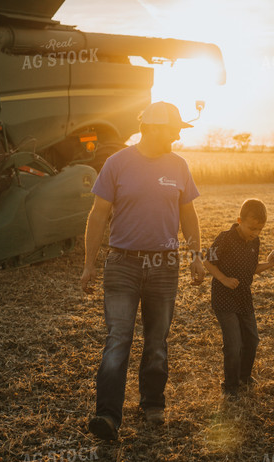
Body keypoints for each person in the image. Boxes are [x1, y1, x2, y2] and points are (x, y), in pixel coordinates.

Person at [80, 101, 206, 441]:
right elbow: (97, 216)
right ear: (152, 128)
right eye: (174, 129)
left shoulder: (179, 166)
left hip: (165, 265)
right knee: (118, 339)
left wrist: (195, 255)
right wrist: (89, 263)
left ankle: (153, 402)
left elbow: (188, 216)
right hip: (123, 263)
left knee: (156, 341)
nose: (179, 134)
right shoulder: (117, 163)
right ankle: (107, 415)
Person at [203, 199, 274, 399]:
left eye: (259, 229)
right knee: (233, 343)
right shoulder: (225, 238)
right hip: (223, 297)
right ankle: (230, 385)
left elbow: (251, 269)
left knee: (252, 339)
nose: (255, 233)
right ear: (239, 220)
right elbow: (207, 260)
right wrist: (223, 279)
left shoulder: (255, 242)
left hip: (243, 297)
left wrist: (271, 264)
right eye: (251, 228)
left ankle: (244, 376)